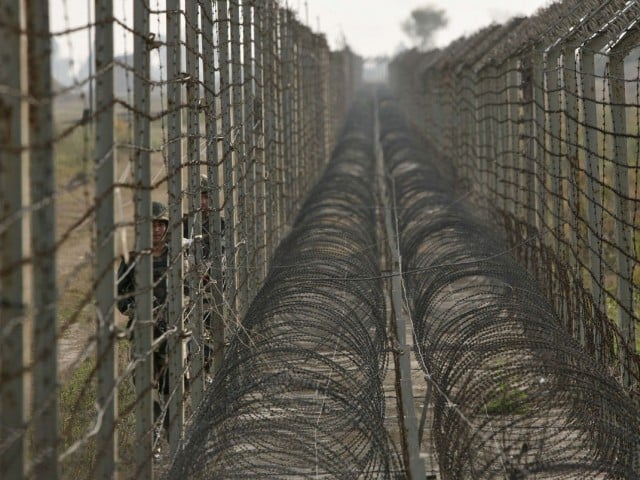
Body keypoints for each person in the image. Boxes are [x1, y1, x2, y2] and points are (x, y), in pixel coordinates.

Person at [117, 201, 175, 454]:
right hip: (142, 331)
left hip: (170, 331)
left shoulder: (176, 256)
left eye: (161, 224)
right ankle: (152, 439)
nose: (157, 230)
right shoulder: (133, 259)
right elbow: (120, 295)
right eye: (152, 225)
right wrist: (135, 307)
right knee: (142, 386)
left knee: (168, 387)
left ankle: (173, 435)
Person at [183, 174, 225, 374]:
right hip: (186, 294)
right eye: (197, 196)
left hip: (213, 293)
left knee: (214, 336)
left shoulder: (220, 225)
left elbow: (221, 256)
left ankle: (212, 376)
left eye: (205, 196)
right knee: (189, 340)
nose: (201, 201)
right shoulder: (181, 226)